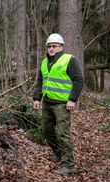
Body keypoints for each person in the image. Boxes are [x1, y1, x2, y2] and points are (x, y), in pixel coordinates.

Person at [33, 33, 84, 174]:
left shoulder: (69, 60)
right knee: (46, 130)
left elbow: (79, 81)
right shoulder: (44, 62)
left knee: (63, 133)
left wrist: (72, 99)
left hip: (62, 104)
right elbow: (40, 82)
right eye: (49, 46)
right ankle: (60, 154)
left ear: (61, 47)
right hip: (47, 103)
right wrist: (36, 98)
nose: (51, 49)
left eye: (54, 46)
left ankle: (69, 165)